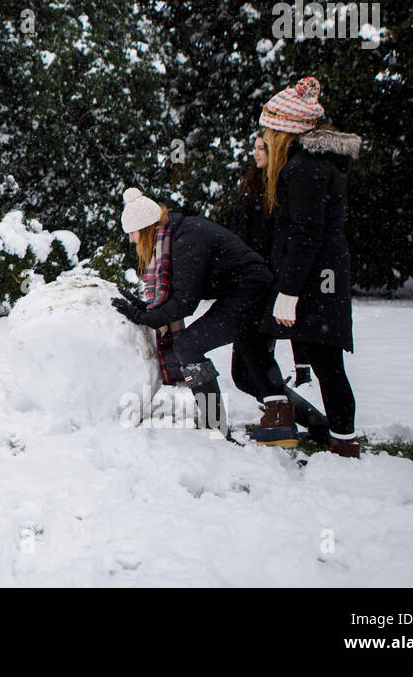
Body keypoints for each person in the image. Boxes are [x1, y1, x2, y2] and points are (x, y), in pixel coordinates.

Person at [110, 187, 272, 436]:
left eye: (132, 233)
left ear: (145, 229)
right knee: (246, 376)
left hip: (251, 295)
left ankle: (216, 426)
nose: (132, 240)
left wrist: (142, 317)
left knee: (188, 345)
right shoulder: (175, 235)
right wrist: (144, 307)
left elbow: (185, 302)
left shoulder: (185, 240)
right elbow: (179, 293)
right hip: (243, 293)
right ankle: (310, 422)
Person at [257, 77, 363, 458]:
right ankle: (341, 438)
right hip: (322, 276)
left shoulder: (303, 168)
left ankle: (343, 442)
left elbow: (305, 235)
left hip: (316, 281)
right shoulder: (317, 163)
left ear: (285, 130)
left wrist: (288, 291)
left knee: (326, 362)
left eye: (269, 129)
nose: (265, 136)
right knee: (325, 361)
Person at [228, 135, 330, 446]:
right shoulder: (254, 186)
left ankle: (283, 418)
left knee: (252, 358)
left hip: (263, 287)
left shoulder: (282, 192)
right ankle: (310, 419)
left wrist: (269, 282)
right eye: (255, 146)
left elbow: (283, 243)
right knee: (244, 372)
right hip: (248, 282)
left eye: (263, 147)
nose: (256, 152)